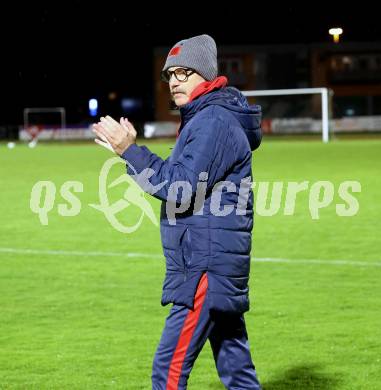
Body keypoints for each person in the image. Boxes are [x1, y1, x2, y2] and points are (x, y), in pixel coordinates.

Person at [93, 34, 262, 389]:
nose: (173, 82)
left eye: (183, 72)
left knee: (168, 370)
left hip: (206, 265)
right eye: (169, 75)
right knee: (237, 371)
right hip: (214, 260)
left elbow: (179, 187)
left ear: (205, 74)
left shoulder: (213, 120)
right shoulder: (207, 116)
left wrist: (130, 152)